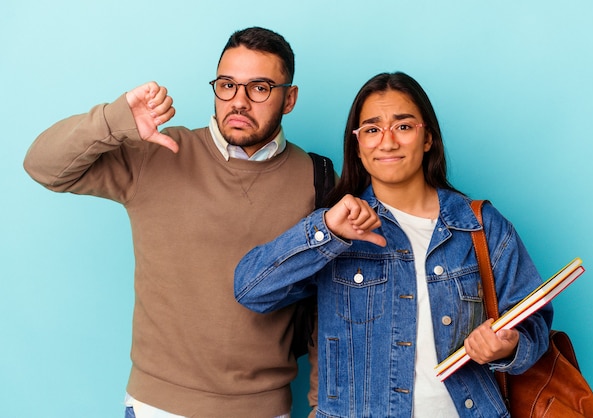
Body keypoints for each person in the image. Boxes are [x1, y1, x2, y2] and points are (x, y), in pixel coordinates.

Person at [23, 27, 328, 418]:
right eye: (227, 85)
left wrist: (322, 406)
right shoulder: (160, 153)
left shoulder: (317, 179)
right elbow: (42, 166)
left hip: (265, 408)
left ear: (290, 98)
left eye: (260, 87)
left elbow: (328, 309)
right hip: (158, 407)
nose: (239, 101)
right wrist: (114, 121)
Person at [234, 72, 553, 417]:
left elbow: (534, 325)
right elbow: (252, 290)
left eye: (403, 127)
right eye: (371, 130)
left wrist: (509, 346)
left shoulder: (479, 225)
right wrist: (326, 231)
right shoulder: (338, 228)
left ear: (427, 137)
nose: (387, 142)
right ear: (357, 145)